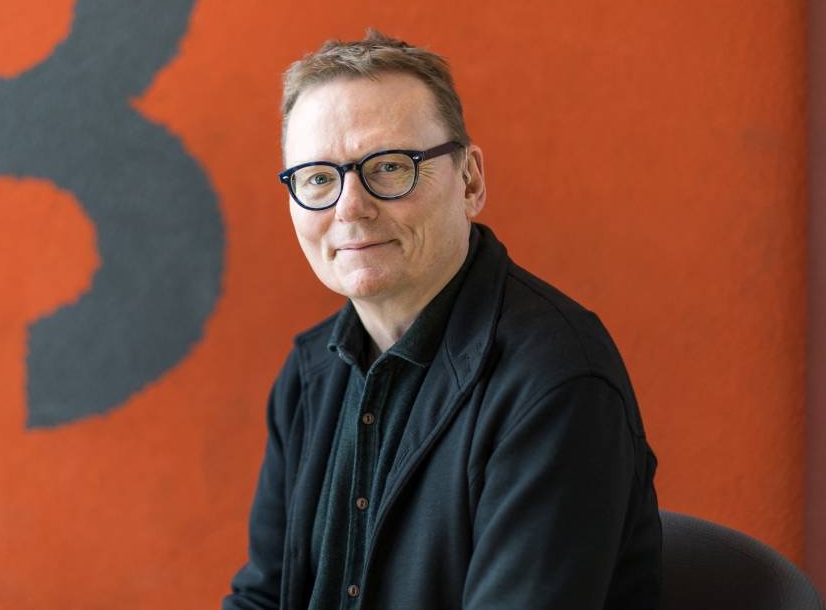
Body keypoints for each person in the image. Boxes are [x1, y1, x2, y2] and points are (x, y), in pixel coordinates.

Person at [224, 30, 661, 609]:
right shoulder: (308, 376)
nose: (350, 207)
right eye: (319, 178)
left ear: (470, 180)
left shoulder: (556, 381)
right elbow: (263, 598)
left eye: (389, 167)